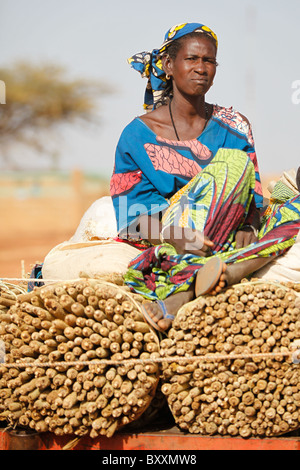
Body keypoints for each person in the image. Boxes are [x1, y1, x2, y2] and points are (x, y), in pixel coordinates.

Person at [110, 22, 300, 332]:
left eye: (209, 60)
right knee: (231, 165)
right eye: (192, 59)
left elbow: (252, 196)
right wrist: (178, 236)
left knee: (294, 204)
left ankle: (231, 269)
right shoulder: (138, 135)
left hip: (235, 230)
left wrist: (251, 223)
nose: (202, 68)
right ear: (169, 65)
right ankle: (194, 284)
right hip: (178, 236)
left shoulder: (234, 125)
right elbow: (132, 220)